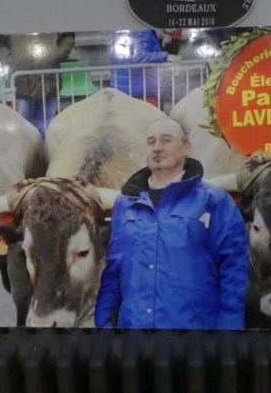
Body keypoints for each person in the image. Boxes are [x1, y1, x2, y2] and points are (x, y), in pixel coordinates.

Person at [95, 118, 249, 329]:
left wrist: (229, 330)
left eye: (166, 140)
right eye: (151, 142)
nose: (157, 147)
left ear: (187, 148)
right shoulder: (125, 204)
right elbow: (113, 270)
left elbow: (234, 269)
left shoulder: (213, 201)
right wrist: (103, 321)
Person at [0, 32, 75, 138]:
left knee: (45, 125)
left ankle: (43, 148)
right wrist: (11, 58)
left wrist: (57, 53)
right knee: (23, 126)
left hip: (47, 79)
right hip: (25, 81)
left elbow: (68, 35)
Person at [109, 29, 181, 107]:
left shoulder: (122, 28)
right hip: (138, 88)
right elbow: (140, 56)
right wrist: (166, 57)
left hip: (122, 86)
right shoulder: (141, 30)